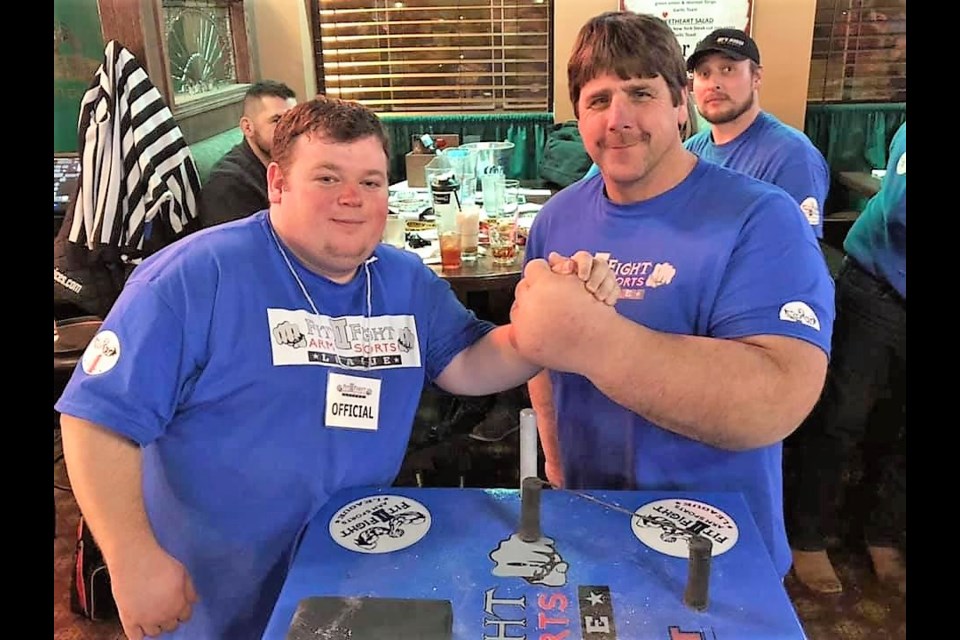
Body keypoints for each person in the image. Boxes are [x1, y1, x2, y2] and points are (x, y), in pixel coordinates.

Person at [55, 96, 619, 640]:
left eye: (370, 181)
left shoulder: (404, 279)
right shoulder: (191, 277)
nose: (353, 197)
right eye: (327, 177)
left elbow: (469, 364)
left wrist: (556, 327)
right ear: (277, 183)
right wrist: (132, 558)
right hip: (210, 591)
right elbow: (96, 420)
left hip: (347, 568)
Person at [511, 11, 835, 581]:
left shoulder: (761, 217)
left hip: (713, 545)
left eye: (641, 93)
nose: (619, 119)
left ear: (681, 103)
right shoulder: (559, 217)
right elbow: (539, 352)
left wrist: (595, 340)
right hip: (593, 525)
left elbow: (779, 397)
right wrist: (557, 463)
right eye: (597, 100)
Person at [787, 122, 906, 595]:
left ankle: (882, 533)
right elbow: (900, 209)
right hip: (878, 288)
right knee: (841, 418)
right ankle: (809, 536)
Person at [684, 28, 830, 240]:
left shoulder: (792, 156)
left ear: (756, 78)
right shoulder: (689, 152)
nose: (713, 84)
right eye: (704, 73)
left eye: (727, 69)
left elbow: (795, 252)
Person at [197, 80, 297, 228]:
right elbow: (239, 248)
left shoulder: (292, 164)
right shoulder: (228, 185)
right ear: (248, 127)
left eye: (293, 120)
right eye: (277, 120)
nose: (290, 130)